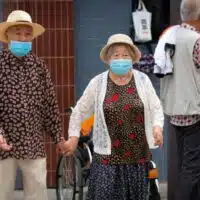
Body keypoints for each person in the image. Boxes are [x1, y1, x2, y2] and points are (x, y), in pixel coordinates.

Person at [60, 33, 164, 200]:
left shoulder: (143, 80)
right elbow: (79, 111)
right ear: (108, 59)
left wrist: (157, 128)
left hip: (137, 160)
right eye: (116, 55)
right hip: (107, 161)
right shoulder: (98, 83)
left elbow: (156, 108)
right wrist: (73, 137)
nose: (121, 59)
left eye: (125, 55)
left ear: (132, 58)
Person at [0, 10, 62, 200]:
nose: (23, 37)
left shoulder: (39, 66)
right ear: (7, 36)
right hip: (3, 142)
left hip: (32, 142)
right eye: (17, 32)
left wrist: (58, 137)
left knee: (37, 194)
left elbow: (49, 104)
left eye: (27, 34)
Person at [154, 0, 200, 199]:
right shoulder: (196, 41)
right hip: (194, 112)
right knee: (192, 169)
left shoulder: (167, 37)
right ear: (198, 15)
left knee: (184, 165)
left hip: (173, 112)